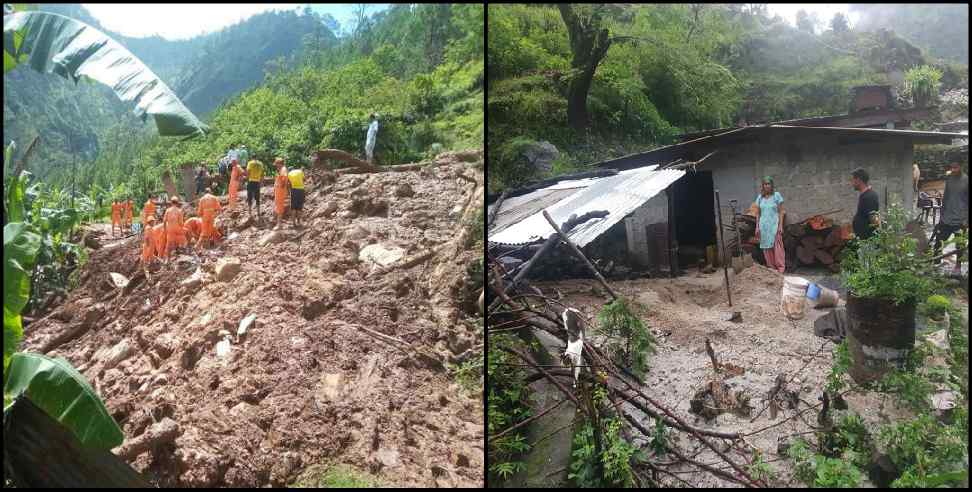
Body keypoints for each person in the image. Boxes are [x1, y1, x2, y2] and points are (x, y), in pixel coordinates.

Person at [932, 161, 969, 273]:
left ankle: (958, 266)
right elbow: (945, 198)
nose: (953, 170)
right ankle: (936, 264)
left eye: (956, 167)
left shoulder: (966, 181)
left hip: (960, 219)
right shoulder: (949, 179)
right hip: (946, 218)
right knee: (939, 241)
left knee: (960, 245)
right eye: (952, 168)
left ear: (961, 167)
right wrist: (941, 216)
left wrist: (966, 220)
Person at [754, 176, 786, 273]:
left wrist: (780, 226)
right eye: (765, 184)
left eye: (769, 184)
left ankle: (780, 268)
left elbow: (781, 212)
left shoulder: (776, 196)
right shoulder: (760, 198)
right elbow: (758, 214)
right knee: (766, 248)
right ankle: (772, 268)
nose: (767, 186)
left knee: (777, 247)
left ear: (772, 185)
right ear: (762, 186)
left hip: (774, 225)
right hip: (764, 226)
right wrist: (757, 226)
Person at [850, 168, 880, 241]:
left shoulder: (870, 197)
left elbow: (874, 221)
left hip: (867, 242)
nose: (852, 183)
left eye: (853, 180)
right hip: (862, 239)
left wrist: (871, 242)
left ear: (858, 180)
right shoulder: (864, 195)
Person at [273, 158, 290, 230]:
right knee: (278, 206)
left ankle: (279, 225)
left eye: (276, 164)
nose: (276, 166)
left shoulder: (283, 169)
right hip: (279, 191)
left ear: (279, 163)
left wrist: (281, 186)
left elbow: (284, 178)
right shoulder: (281, 169)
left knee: (279, 207)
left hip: (280, 191)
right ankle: (278, 223)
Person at [288, 164, 306, 228]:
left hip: (294, 190)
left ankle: (293, 223)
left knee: (293, 207)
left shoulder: (289, 174)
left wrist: (289, 193)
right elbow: (304, 180)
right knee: (299, 207)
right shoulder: (300, 171)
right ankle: (299, 222)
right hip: (301, 190)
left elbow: (289, 184)